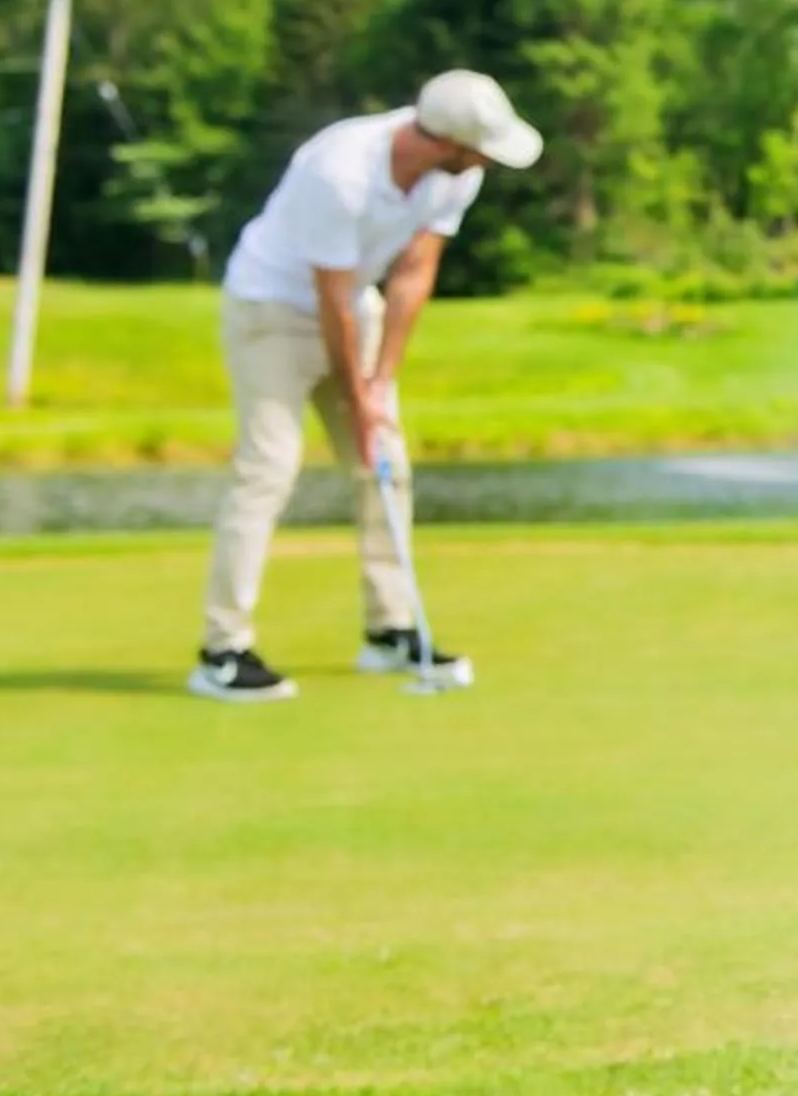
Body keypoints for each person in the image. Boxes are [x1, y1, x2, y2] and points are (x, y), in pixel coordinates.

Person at [188, 69, 541, 703]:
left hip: (357, 306)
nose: (487, 161)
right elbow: (331, 303)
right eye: (480, 149)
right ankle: (223, 649)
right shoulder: (340, 171)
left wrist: (382, 384)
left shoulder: (458, 176)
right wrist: (357, 396)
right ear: (447, 142)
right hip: (271, 308)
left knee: (386, 465)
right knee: (269, 467)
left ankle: (390, 631)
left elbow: (413, 274)